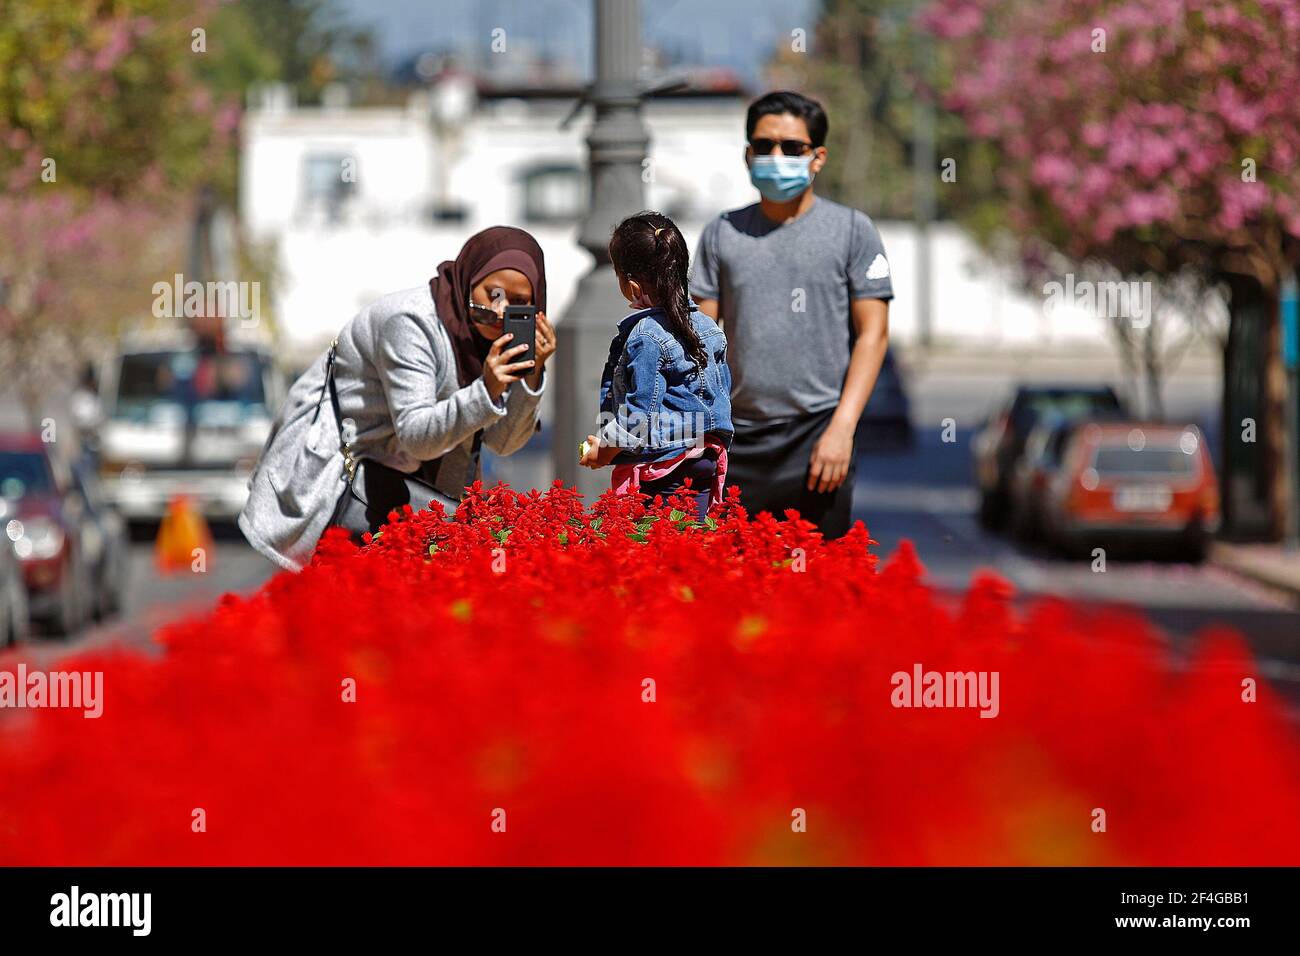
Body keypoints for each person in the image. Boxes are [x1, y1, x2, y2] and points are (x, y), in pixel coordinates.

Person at [239, 226, 556, 570]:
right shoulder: (409, 322)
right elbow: (417, 436)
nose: (500, 311)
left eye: (520, 303)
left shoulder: (487, 341)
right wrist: (487, 389)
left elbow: (502, 442)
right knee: (332, 613)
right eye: (493, 294)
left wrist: (531, 376)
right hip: (337, 487)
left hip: (404, 497)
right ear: (469, 279)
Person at [690, 90, 892, 537]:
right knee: (734, 582)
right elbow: (700, 338)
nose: (776, 156)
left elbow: (873, 335)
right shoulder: (722, 233)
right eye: (764, 146)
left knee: (817, 584)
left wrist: (843, 428)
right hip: (735, 438)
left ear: (817, 158)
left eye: (792, 148)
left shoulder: (853, 231)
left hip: (819, 436)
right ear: (748, 155)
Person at [580, 211, 732, 519]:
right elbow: (721, 395)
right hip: (705, 458)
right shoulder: (709, 327)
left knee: (658, 552)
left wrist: (605, 450)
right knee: (692, 544)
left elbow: (639, 416)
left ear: (633, 286)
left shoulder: (646, 336)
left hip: (664, 469)